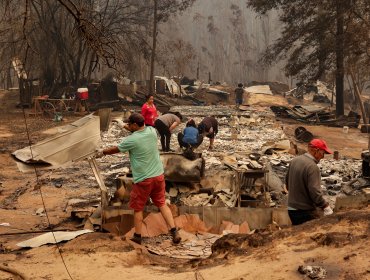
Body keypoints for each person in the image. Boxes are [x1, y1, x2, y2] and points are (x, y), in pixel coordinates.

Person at [97, 113, 181, 245]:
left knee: (138, 208)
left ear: (135, 125)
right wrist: (121, 124)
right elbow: (133, 129)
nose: (128, 126)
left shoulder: (132, 140)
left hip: (144, 179)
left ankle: (137, 236)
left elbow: (116, 149)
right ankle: (174, 231)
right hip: (158, 175)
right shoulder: (152, 131)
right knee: (162, 204)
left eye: (130, 124)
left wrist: (102, 153)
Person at [286, 139, 334, 225]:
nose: (323, 157)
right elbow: (314, 190)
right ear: (316, 150)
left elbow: (287, 185)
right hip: (304, 211)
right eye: (323, 153)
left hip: (291, 210)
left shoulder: (294, 160)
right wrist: (325, 206)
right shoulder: (312, 167)